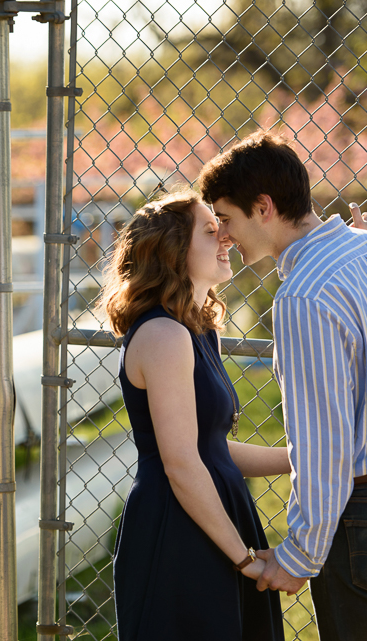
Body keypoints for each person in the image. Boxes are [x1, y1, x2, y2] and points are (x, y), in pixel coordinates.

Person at [197, 130, 367, 641]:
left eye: (226, 219)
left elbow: (324, 441)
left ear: (264, 206)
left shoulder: (302, 295)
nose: (224, 236)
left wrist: (299, 555)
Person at [101, 188, 289, 641]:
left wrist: (301, 458)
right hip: (178, 532)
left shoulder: (198, 330)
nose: (226, 237)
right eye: (210, 231)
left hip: (214, 518)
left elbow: (211, 448)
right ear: (171, 250)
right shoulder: (163, 335)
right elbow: (183, 464)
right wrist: (243, 558)